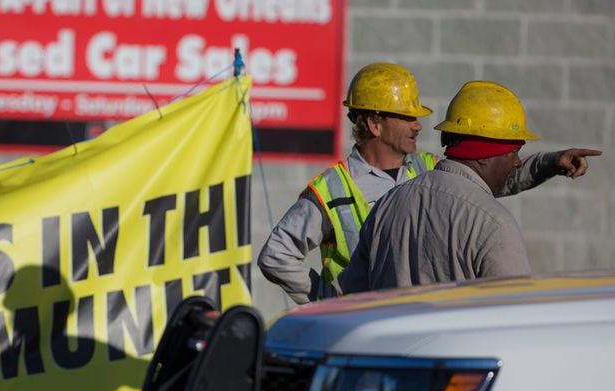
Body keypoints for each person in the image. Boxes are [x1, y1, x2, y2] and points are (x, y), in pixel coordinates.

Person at [338, 80, 602, 293]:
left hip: (387, 358)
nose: (517, 162)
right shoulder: (493, 223)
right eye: (514, 151)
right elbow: (513, 314)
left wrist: (549, 162)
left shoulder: (389, 203)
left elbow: (352, 293)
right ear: (485, 155)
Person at [257, 62, 437, 305]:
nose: (417, 125)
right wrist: (327, 299)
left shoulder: (432, 169)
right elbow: (276, 255)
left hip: (422, 320)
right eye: (406, 116)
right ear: (375, 124)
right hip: (364, 330)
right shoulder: (330, 189)